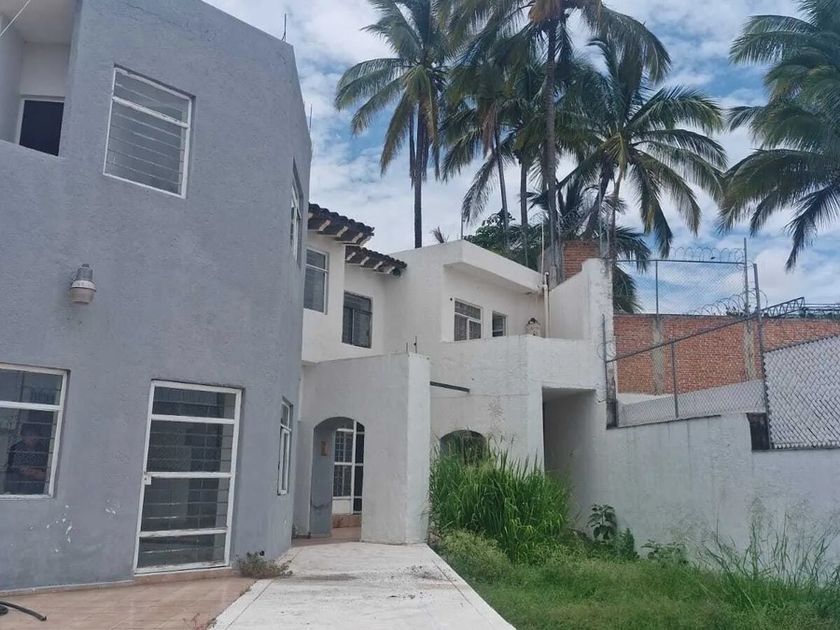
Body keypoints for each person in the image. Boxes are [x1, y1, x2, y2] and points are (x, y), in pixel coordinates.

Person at [4, 424, 49, 495]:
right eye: (30, 435)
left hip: (36, 490)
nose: (33, 438)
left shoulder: (43, 450)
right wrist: (32, 472)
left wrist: (41, 474)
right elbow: (14, 467)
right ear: (23, 436)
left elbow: (45, 471)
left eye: (36, 435)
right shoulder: (15, 448)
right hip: (17, 487)